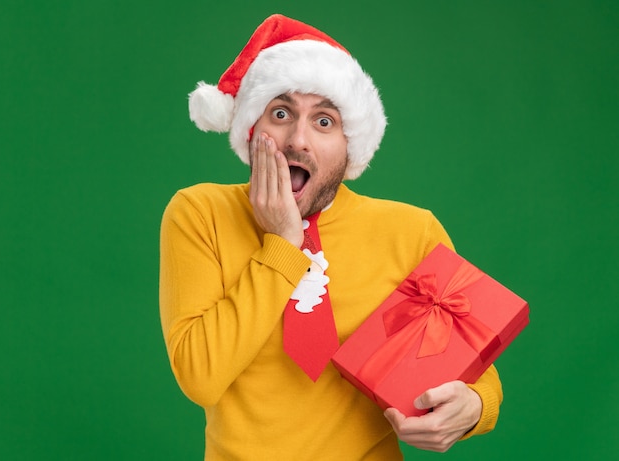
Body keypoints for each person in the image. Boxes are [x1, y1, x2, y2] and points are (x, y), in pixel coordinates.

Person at [159, 14, 503, 460]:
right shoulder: (199, 213)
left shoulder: (411, 231)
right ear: (251, 129)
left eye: (324, 122)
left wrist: (476, 406)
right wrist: (282, 243)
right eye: (280, 114)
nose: (297, 140)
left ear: (350, 145)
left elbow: (475, 365)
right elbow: (200, 376)